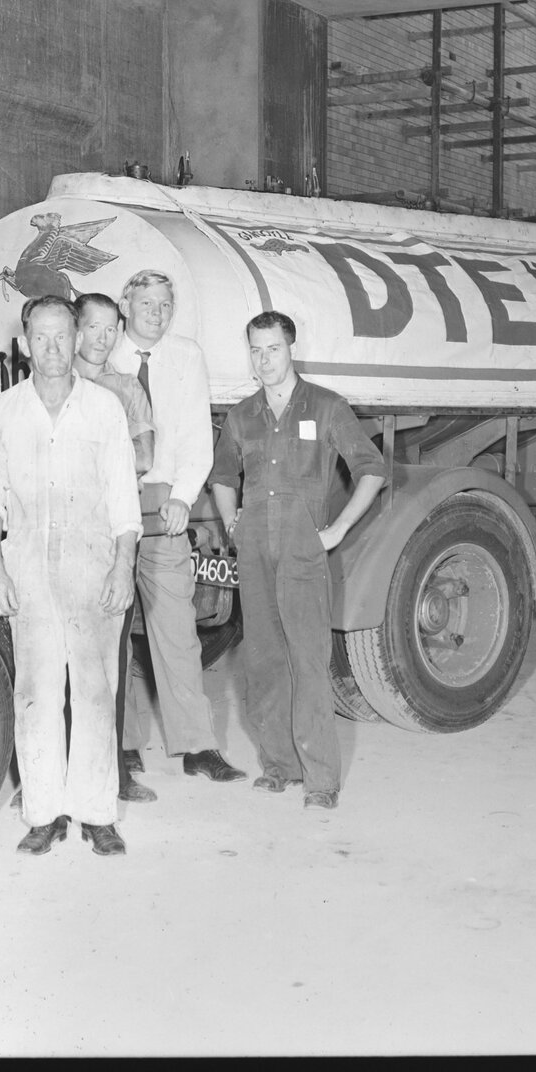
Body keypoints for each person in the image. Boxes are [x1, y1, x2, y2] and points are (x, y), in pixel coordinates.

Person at [0, 295, 142, 856]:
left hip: (93, 567)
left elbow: (124, 497)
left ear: (77, 340)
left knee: (95, 691)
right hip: (27, 570)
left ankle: (97, 813)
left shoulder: (104, 409)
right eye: (40, 337)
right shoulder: (1, 414)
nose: (52, 348)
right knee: (37, 694)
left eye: (62, 336)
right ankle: (43, 813)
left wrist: (123, 566)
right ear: (24, 344)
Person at [209, 311, 386, 810]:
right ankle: (279, 766)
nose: (265, 360)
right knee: (264, 660)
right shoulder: (242, 415)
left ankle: (321, 781)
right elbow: (222, 475)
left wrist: (339, 528)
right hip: (254, 550)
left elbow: (371, 468)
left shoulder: (327, 407)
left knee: (308, 661)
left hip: (303, 551)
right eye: (256, 350)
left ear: (292, 349)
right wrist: (231, 522)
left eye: (274, 349)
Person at [107, 270, 246, 784]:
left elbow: (194, 437)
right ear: (125, 304)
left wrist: (185, 498)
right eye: (146, 302)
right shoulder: (100, 354)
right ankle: (121, 746)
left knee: (178, 631)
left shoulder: (187, 355)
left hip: (165, 506)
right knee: (113, 630)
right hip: (110, 508)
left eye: (165, 304)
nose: (156, 312)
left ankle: (197, 745)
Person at [73, 291, 156, 804]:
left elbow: (145, 456)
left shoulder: (127, 387)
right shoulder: (52, 384)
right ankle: (44, 774)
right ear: (76, 330)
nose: (103, 338)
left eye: (111, 329)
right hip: (59, 537)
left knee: (111, 659)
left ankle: (115, 774)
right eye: (94, 328)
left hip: (110, 535)